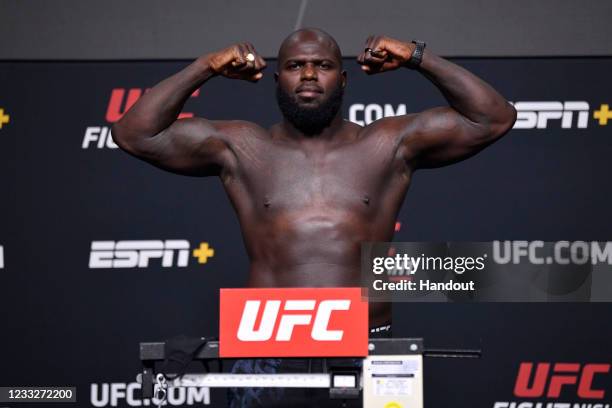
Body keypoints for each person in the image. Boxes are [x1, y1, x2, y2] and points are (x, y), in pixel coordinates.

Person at [112, 28, 516, 407]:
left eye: (321, 66)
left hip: (367, 350)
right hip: (264, 348)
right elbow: (134, 133)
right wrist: (207, 66)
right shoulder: (241, 147)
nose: (308, 75)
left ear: (342, 79)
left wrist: (416, 55)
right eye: (294, 66)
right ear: (276, 81)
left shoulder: (387, 145)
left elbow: (493, 117)